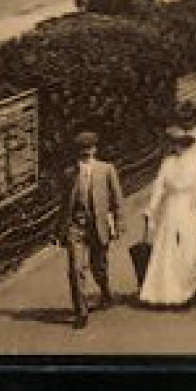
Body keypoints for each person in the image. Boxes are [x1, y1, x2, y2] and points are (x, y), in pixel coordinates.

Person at [138, 127, 196, 309]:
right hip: (171, 209)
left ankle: (185, 291)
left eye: (182, 144)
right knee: (168, 249)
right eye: (175, 144)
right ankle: (165, 292)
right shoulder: (168, 163)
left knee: (188, 249)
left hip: (191, 209)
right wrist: (151, 209)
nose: (179, 147)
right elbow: (159, 186)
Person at [57, 131, 125, 329]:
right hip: (75, 227)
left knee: (99, 266)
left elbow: (117, 199)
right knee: (75, 269)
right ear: (77, 152)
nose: (86, 153)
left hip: (99, 227)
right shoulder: (70, 173)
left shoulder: (106, 170)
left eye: (90, 149)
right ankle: (81, 311)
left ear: (95, 149)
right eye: (82, 150)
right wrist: (58, 230)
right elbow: (64, 204)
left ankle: (104, 290)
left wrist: (119, 224)